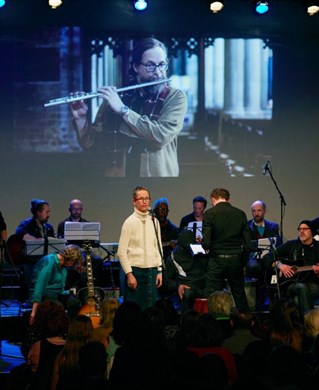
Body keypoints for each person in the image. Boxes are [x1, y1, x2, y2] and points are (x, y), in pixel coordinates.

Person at [70, 37, 188, 177]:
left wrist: (122, 109)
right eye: (150, 65)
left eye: (162, 64)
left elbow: (161, 136)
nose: (158, 72)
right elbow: (90, 143)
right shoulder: (116, 97)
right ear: (136, 67)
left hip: (157, 180)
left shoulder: (175, 97)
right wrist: (81, 119)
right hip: (118, 180)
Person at [202, 188, 251, 312]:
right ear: (228, 199)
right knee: (239, 295)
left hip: (217, 260)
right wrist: (243, 262)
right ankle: (245, 324)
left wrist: (207, 246)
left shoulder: (209, 214)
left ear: (213, 198)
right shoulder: (240, 214)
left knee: (212, 295)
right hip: (236, 259)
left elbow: (206, 244)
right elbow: (247, 244)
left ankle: (213, 325)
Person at [117, 186, 163, 310]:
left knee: (151, 309)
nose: (144, 201)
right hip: (136, 272)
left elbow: (157, 248)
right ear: (134, 201)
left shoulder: (154, 221)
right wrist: (129, 274)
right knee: (135, 309)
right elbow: (121, 252)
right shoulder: (129, 222)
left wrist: (159, 271)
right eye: (141, 199)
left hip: (152, 272)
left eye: (147, 198)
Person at [263, 219, 319, 317]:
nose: (301, 231)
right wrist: (280, 265)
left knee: (297, 300)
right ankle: (310, 323)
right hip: (291, 284)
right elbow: (267, 257)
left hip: (312, 284)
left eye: (305, 229)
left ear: (312, 231)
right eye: (300, 229)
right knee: (301, 287)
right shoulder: (292, 245)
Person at [29, 244, 83, 324]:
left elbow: (59, 288)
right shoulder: (49, 262)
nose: (73, 264)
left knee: (75, 302)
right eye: (73, 262)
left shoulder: (64, 267)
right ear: (69, 259)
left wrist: (69, 292)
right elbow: (40, 286)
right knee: (58, 307)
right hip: (44, 294)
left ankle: (68, 326)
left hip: (56, 294)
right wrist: (34, 310)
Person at [167, 229, 208, 314]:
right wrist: (178, 285)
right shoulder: (173, 257)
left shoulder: (200, 250)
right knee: (187, 295)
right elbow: (168, 279)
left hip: (204, 285)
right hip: (186, 287)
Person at [246, 200, 282, 279]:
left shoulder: (273, 226)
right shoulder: (246, 226)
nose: (256, 213)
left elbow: (277, 244)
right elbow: (246, 244)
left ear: (264, 211)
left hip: (269, 257)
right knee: (253, 266)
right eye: (254, 211)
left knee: (271, 265)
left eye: (259, 210)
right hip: (253, 257)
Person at [153, 197, 179, 263]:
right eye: (160, 209)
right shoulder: (151, 227)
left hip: (169, 262)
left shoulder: (173, 229)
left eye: (165, 209)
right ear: (155, 210)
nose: (163, 211)